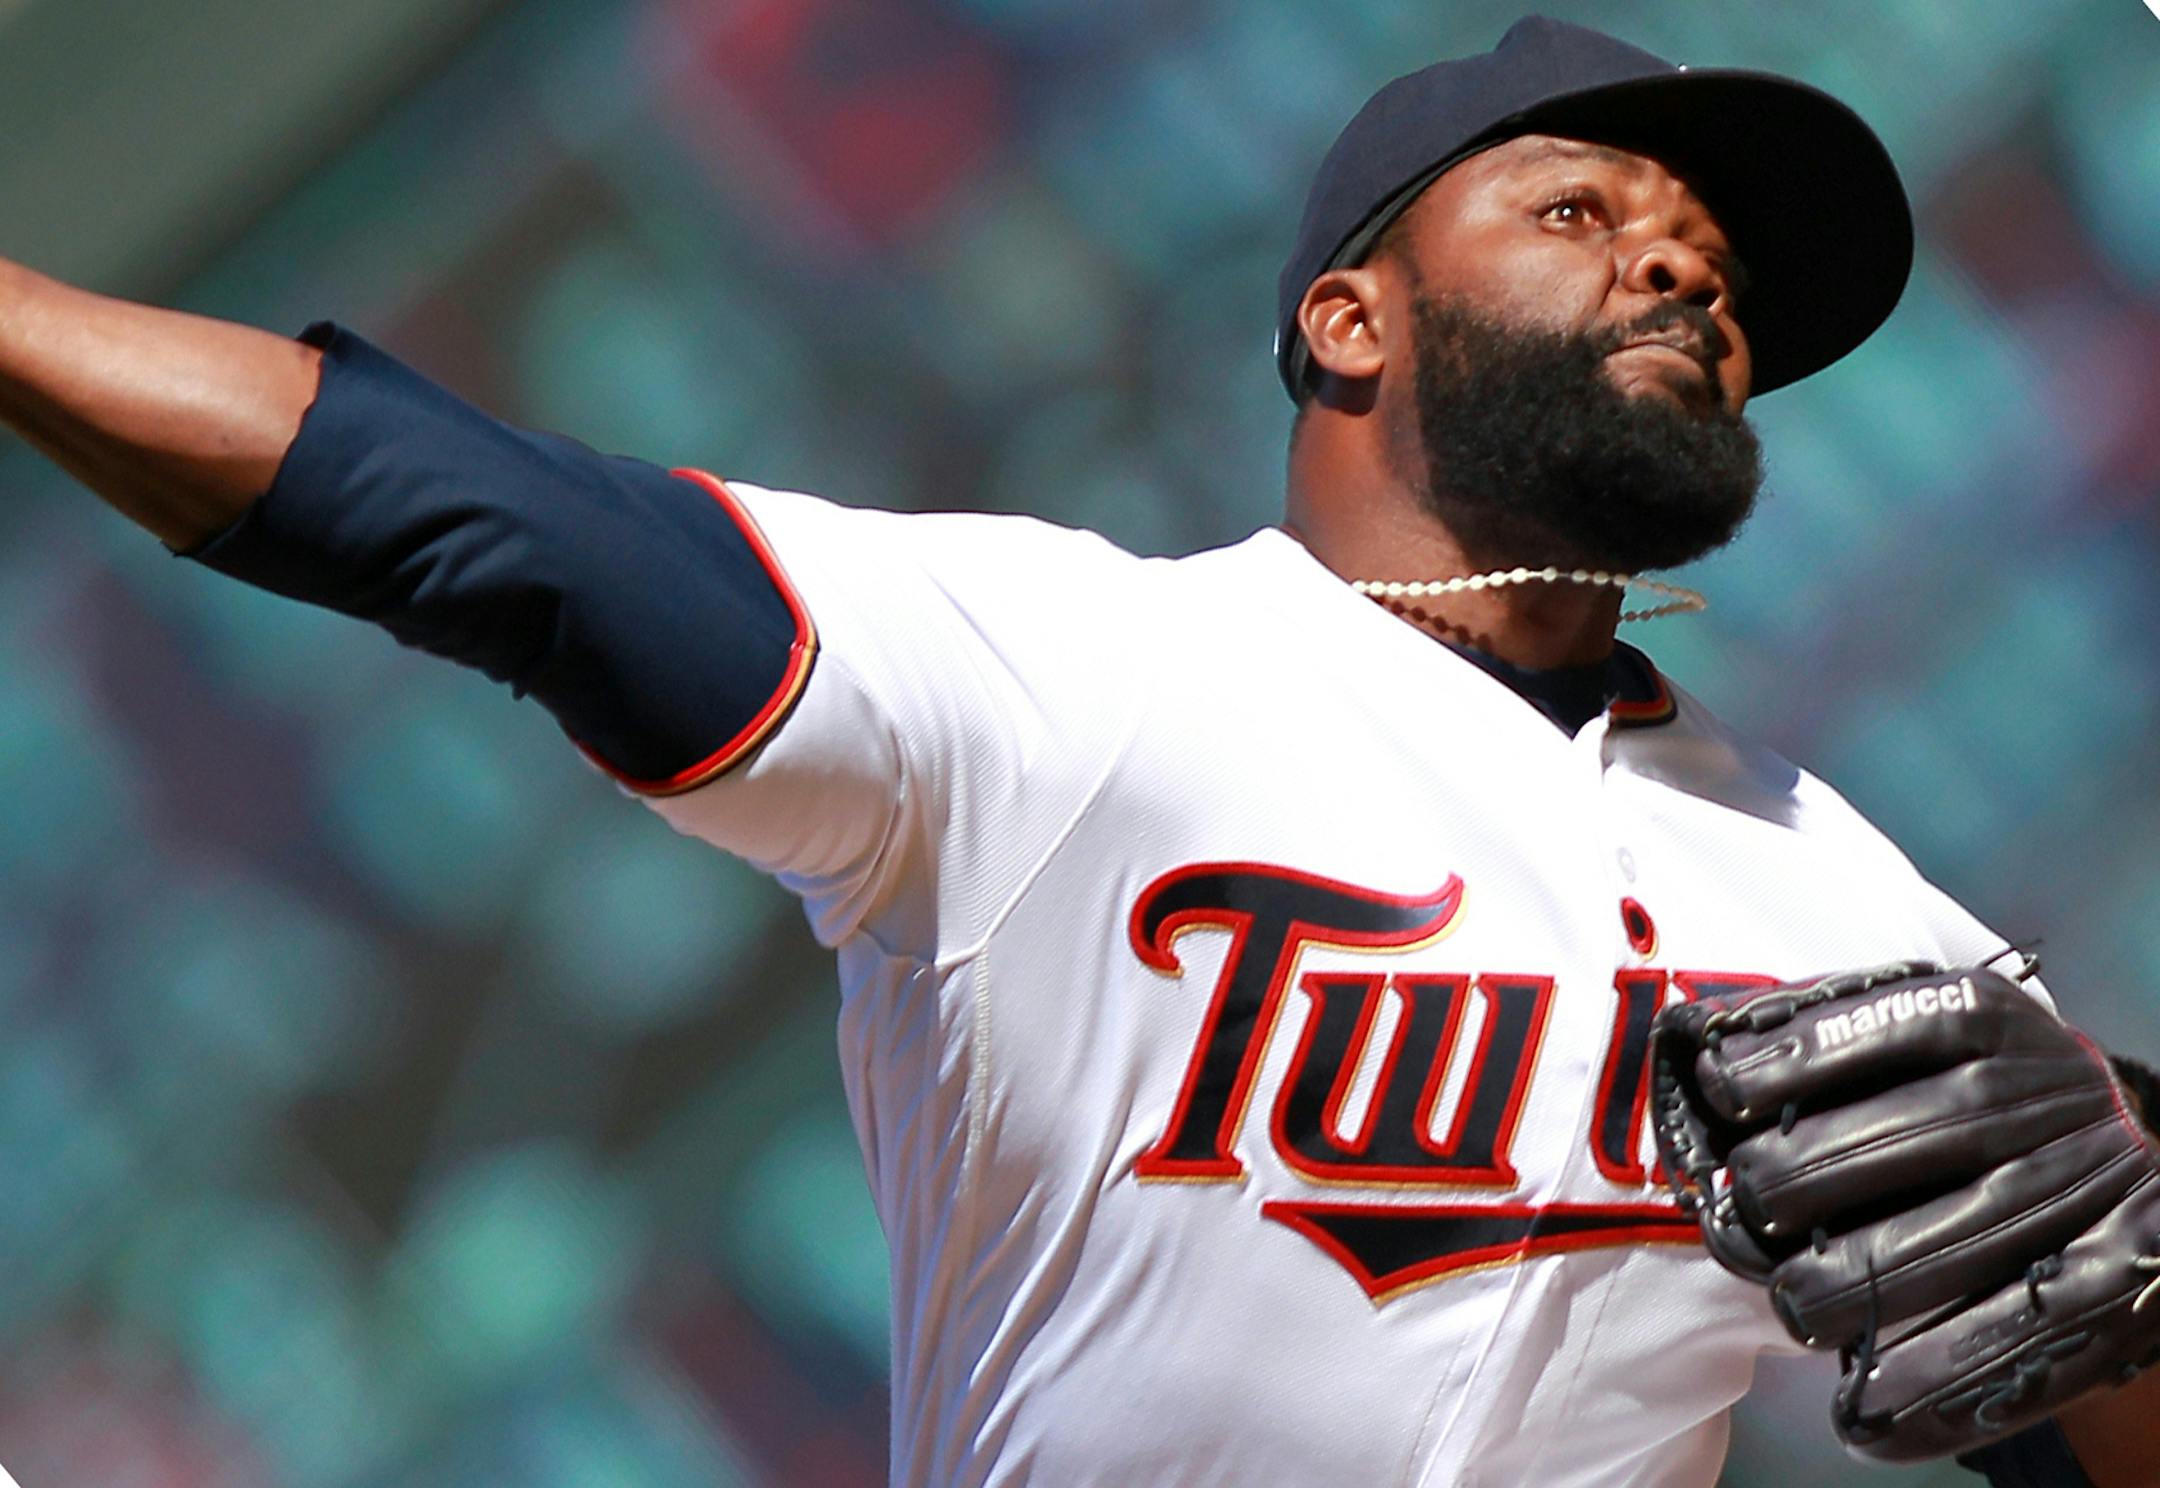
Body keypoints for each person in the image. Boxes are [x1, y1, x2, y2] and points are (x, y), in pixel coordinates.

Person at [2, 13, 2155, 1487]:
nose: (1685, 258)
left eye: (1719, 262)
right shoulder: (1082, 673)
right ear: (1347, 316)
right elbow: (455, 508)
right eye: (1580, 213)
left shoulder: (1848, 900)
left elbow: (2082, 1430)